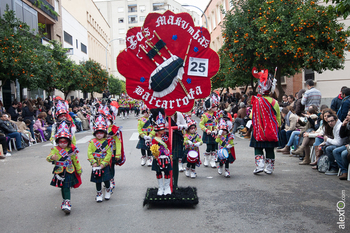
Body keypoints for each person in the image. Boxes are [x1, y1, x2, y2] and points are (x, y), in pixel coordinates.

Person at [46, 122, 82, 214]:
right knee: (62, 187)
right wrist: (51, 158)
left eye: (65, 142)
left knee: (66, 187)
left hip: (69, 170)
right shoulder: (55, 149)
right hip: (59, 171)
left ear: (68, 141)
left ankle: (67, 202)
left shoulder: (71, 150)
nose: (62, 144)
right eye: (60, 142)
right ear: (57, 141)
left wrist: (78, 169)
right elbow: (48, 157)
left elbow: (75, 160)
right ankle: (64, 200)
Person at [250, 69, 281, 175]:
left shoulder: (256, 101)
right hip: (271, 129)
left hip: (259, 129)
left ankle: (259, 165)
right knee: (270, 149)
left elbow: (251, 116)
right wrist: (278, 127)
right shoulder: (274, 102)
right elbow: (278, 117)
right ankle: (269, 168)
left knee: (258, 147)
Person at [87, 114, 113, 202]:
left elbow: (109, 154)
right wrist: (93, 162)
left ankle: (108, 190)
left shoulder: (107, 142)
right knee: (97, 181)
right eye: (97, 132)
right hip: (95, 164)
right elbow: (89, 153)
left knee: (106, 180)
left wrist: (103, 163)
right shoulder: (92, 142)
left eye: (101, 132)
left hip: (104, 164)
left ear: (105, 133)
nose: (99, 134)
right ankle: (99, 193)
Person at [149, 109, 172, 196]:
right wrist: (155, 155)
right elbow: (152, 148)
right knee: (158, 172)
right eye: (162, 129)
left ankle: (167, 187)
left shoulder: (166, 138)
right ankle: (160, 187)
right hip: (158, 157)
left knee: (167, 172)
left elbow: (169, 146)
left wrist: (169, 155)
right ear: (158, 130)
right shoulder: (154, 139)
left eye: (164, 129)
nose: (164, 130)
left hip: (165, 157)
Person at [199, 93, 220, 168]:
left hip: (215, 133)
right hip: (208, 133)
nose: (216, 108)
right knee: (209, 148)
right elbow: (201, 124)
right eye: (214, 107)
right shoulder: (204, 115)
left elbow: (218, 123)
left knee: (214, 148)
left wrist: (217, 129)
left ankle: (213, 161)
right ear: (210, 107)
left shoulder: (216, 114)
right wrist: (206, 130)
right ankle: (206, 159)